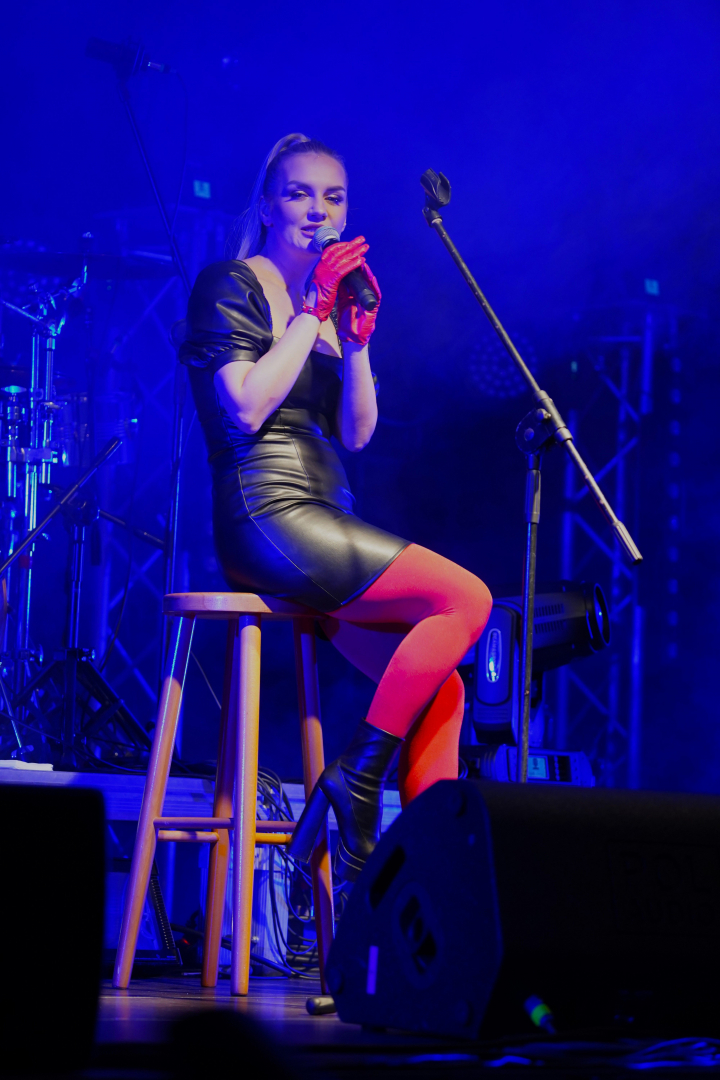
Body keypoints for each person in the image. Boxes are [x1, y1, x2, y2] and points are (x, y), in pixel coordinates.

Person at [179, 133, 492, 882]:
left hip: (326, 519)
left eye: (333, 197)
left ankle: (426, 882)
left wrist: (353, 342)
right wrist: (310, 310)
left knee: (439, 686)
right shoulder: (230, 284)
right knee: (467, 599)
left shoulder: (325, 307)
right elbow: (246, 406)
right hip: (267, 516)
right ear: (267, 207)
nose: (317, 210)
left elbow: (357, 433)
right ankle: (357, 777)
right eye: (299, 194)